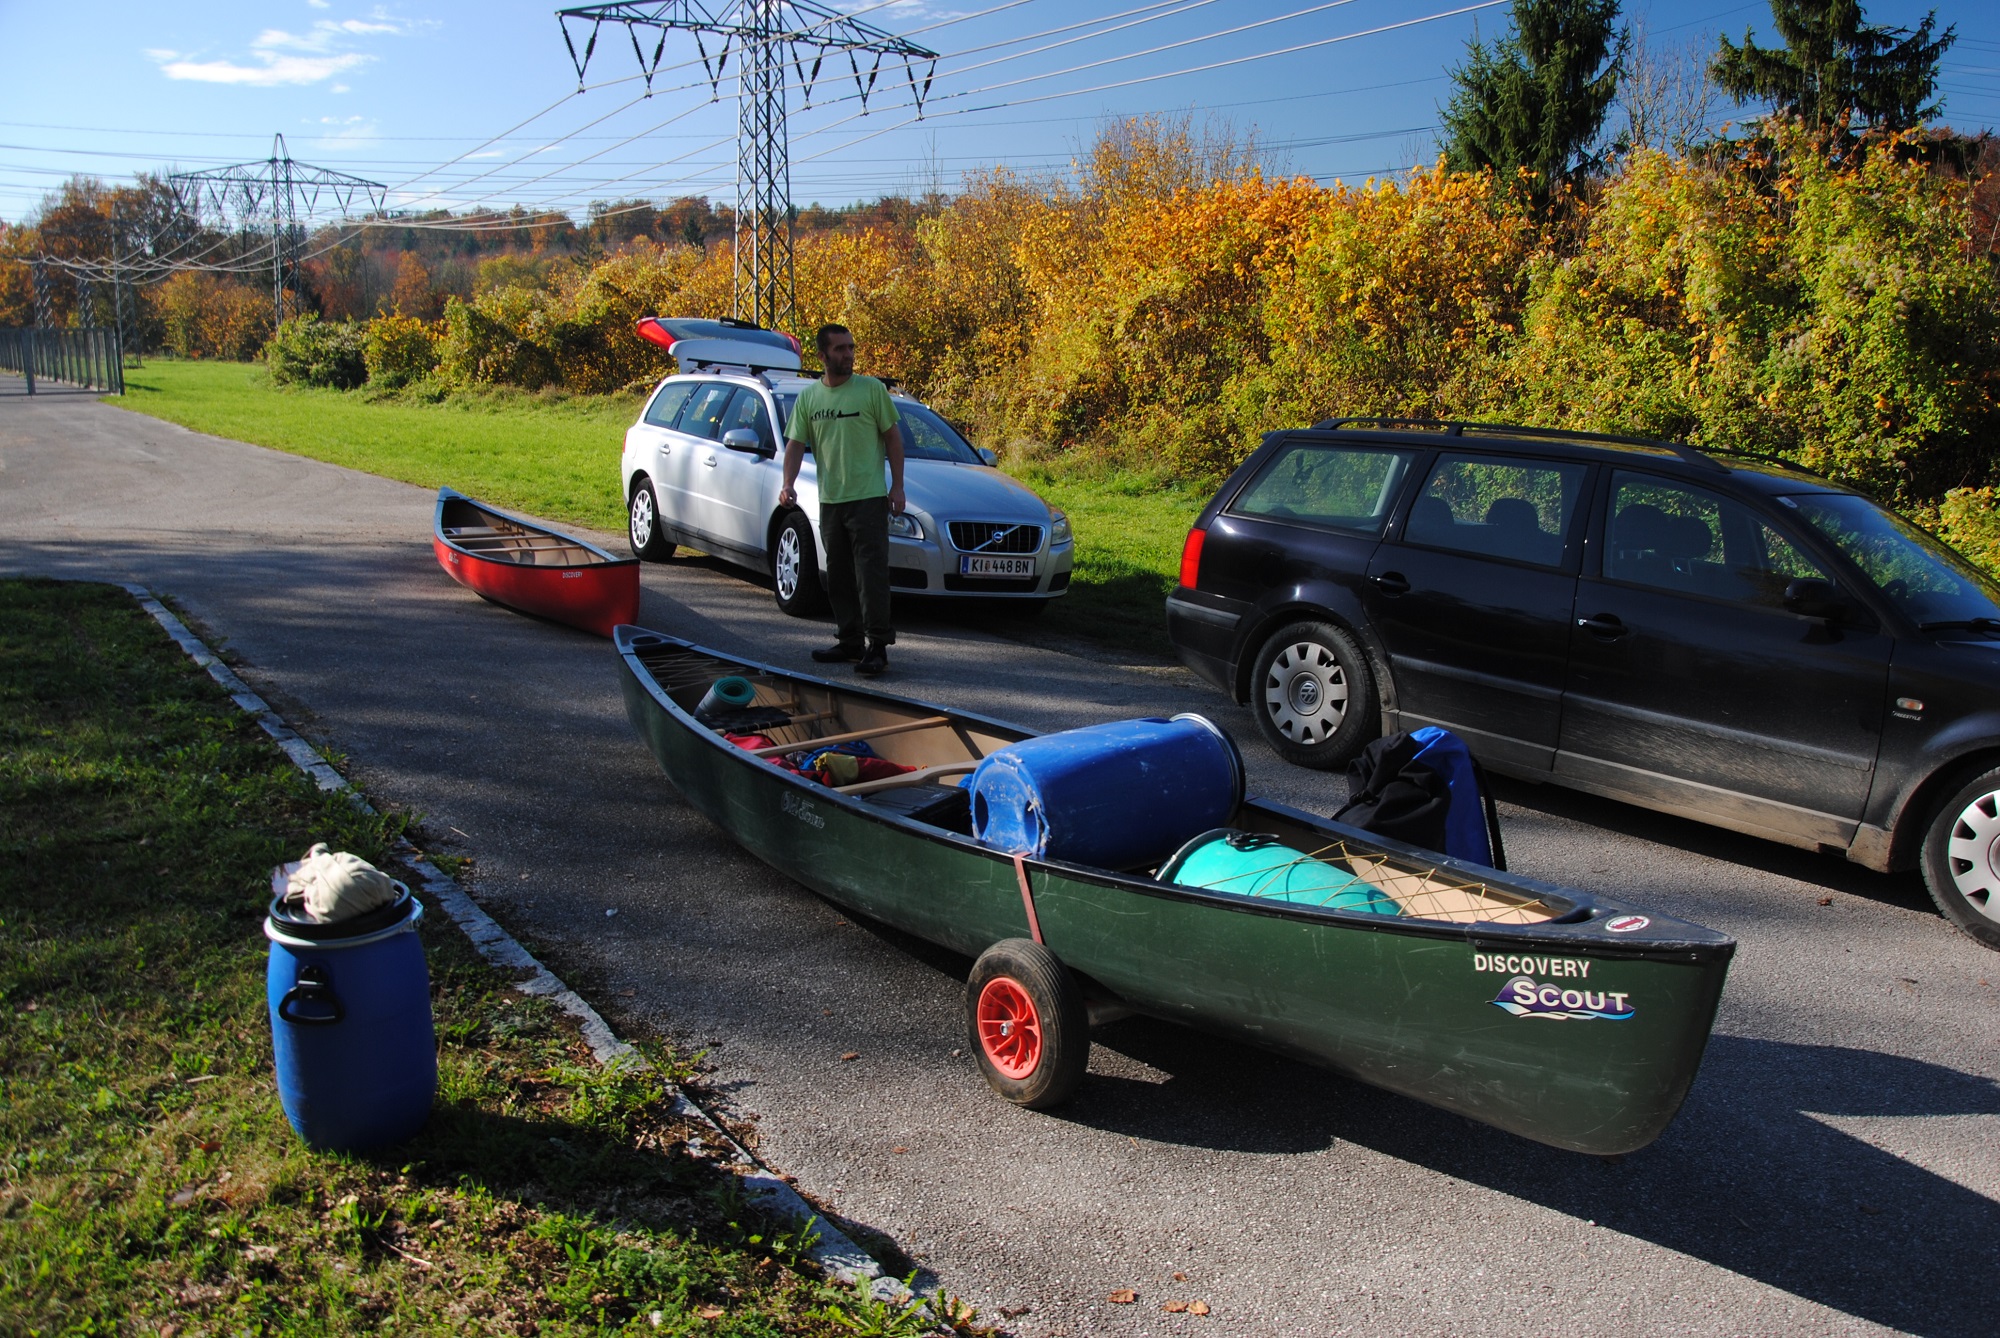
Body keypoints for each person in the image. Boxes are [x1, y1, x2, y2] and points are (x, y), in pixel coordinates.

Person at [779, 324, 905, 677]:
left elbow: (894, 440)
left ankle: (877, 646)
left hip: (868, 498)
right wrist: (787, 484)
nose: (848, 355)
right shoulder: (809, 399)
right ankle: (849, 640)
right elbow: (795, 444)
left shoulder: (870, 391)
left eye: (850, 348)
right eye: (839, 350)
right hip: (831, 500)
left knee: (871, 574)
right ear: (822, 356)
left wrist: (897, 487)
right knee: (838, 576)